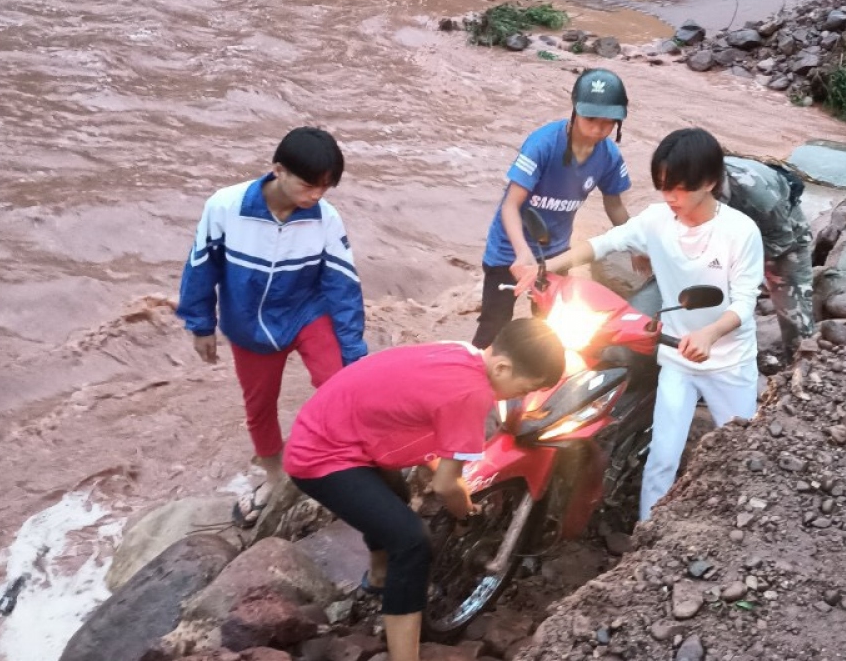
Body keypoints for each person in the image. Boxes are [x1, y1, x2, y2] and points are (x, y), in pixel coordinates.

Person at [283, 320, 565, 661]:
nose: (521, 398)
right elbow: (446, 484)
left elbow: (419, 411)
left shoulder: (462, 352)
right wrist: (465, 513)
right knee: (413, 541)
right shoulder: (472, 395)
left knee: (394, 501)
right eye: (524, 389)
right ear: (502, 367)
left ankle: (378, 577)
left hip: (330, 426)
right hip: (320, 456)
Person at [544, 128, 765, 521]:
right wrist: (543, 268)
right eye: (663, 187)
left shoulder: (740, 233)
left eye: (679, 189)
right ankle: (646, 537)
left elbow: (745, 303)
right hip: (676, 358)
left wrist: (710, 333)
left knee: (741, 455)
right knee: (663, 457)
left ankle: (741, 531)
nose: (669, 198)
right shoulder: (657, 220)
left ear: (710, 183)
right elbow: (603, 243)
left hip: (729, 363)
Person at [177, 126, 368, 528]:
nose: (317, 195)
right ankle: (274, 475)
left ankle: (340, 460)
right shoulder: (225, 206)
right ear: (278, 170)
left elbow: (343, 288)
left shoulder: (325, 220)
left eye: (326, 187)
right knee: (259, 406)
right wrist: (201, 325)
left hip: (305, 311)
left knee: (340, 384)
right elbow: (200, 266)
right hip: (248, 324)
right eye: (310, 185)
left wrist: (354, 355)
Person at [474, 68, 633, 349]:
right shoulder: (543, 144)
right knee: (493, 328)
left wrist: (638, 244)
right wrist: (522, 252)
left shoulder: (609, 156)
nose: (598, 129)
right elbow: (511, 206)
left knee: (549, 331)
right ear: (574, 111)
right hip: (510, 251)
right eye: (591, 119)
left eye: (608, 122)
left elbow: (615, 205)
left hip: (555, 255)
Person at [720, 156, 815, 369]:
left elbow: (781, 240)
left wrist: (734, 261)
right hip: (732, 242)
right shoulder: (686, 186)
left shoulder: (756, 193)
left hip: (783, 244)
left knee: (796, 317)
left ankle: (800, 373)